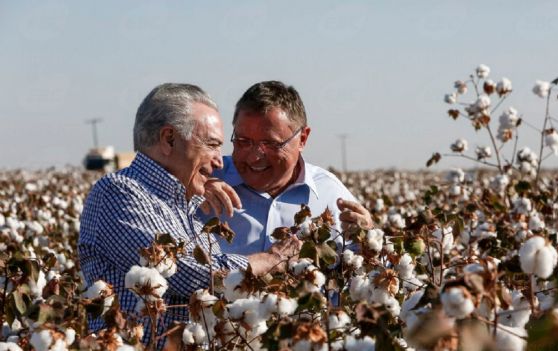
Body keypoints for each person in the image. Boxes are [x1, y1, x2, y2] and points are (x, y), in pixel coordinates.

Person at [78, 83, 300, 347]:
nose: (220, 161)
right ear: (169, 139)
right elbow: (188, 274)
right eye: (212, 145)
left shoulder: (188, 204)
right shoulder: (118, 193)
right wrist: (271, 259)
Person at [199, 80, 372, 255]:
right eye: (243, 142)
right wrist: (190, 190)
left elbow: (365, 267)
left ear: (302, 139)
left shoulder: (329, 193)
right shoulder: (203, 179)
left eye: (270, 144)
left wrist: (367, 243)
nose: (255, 157)